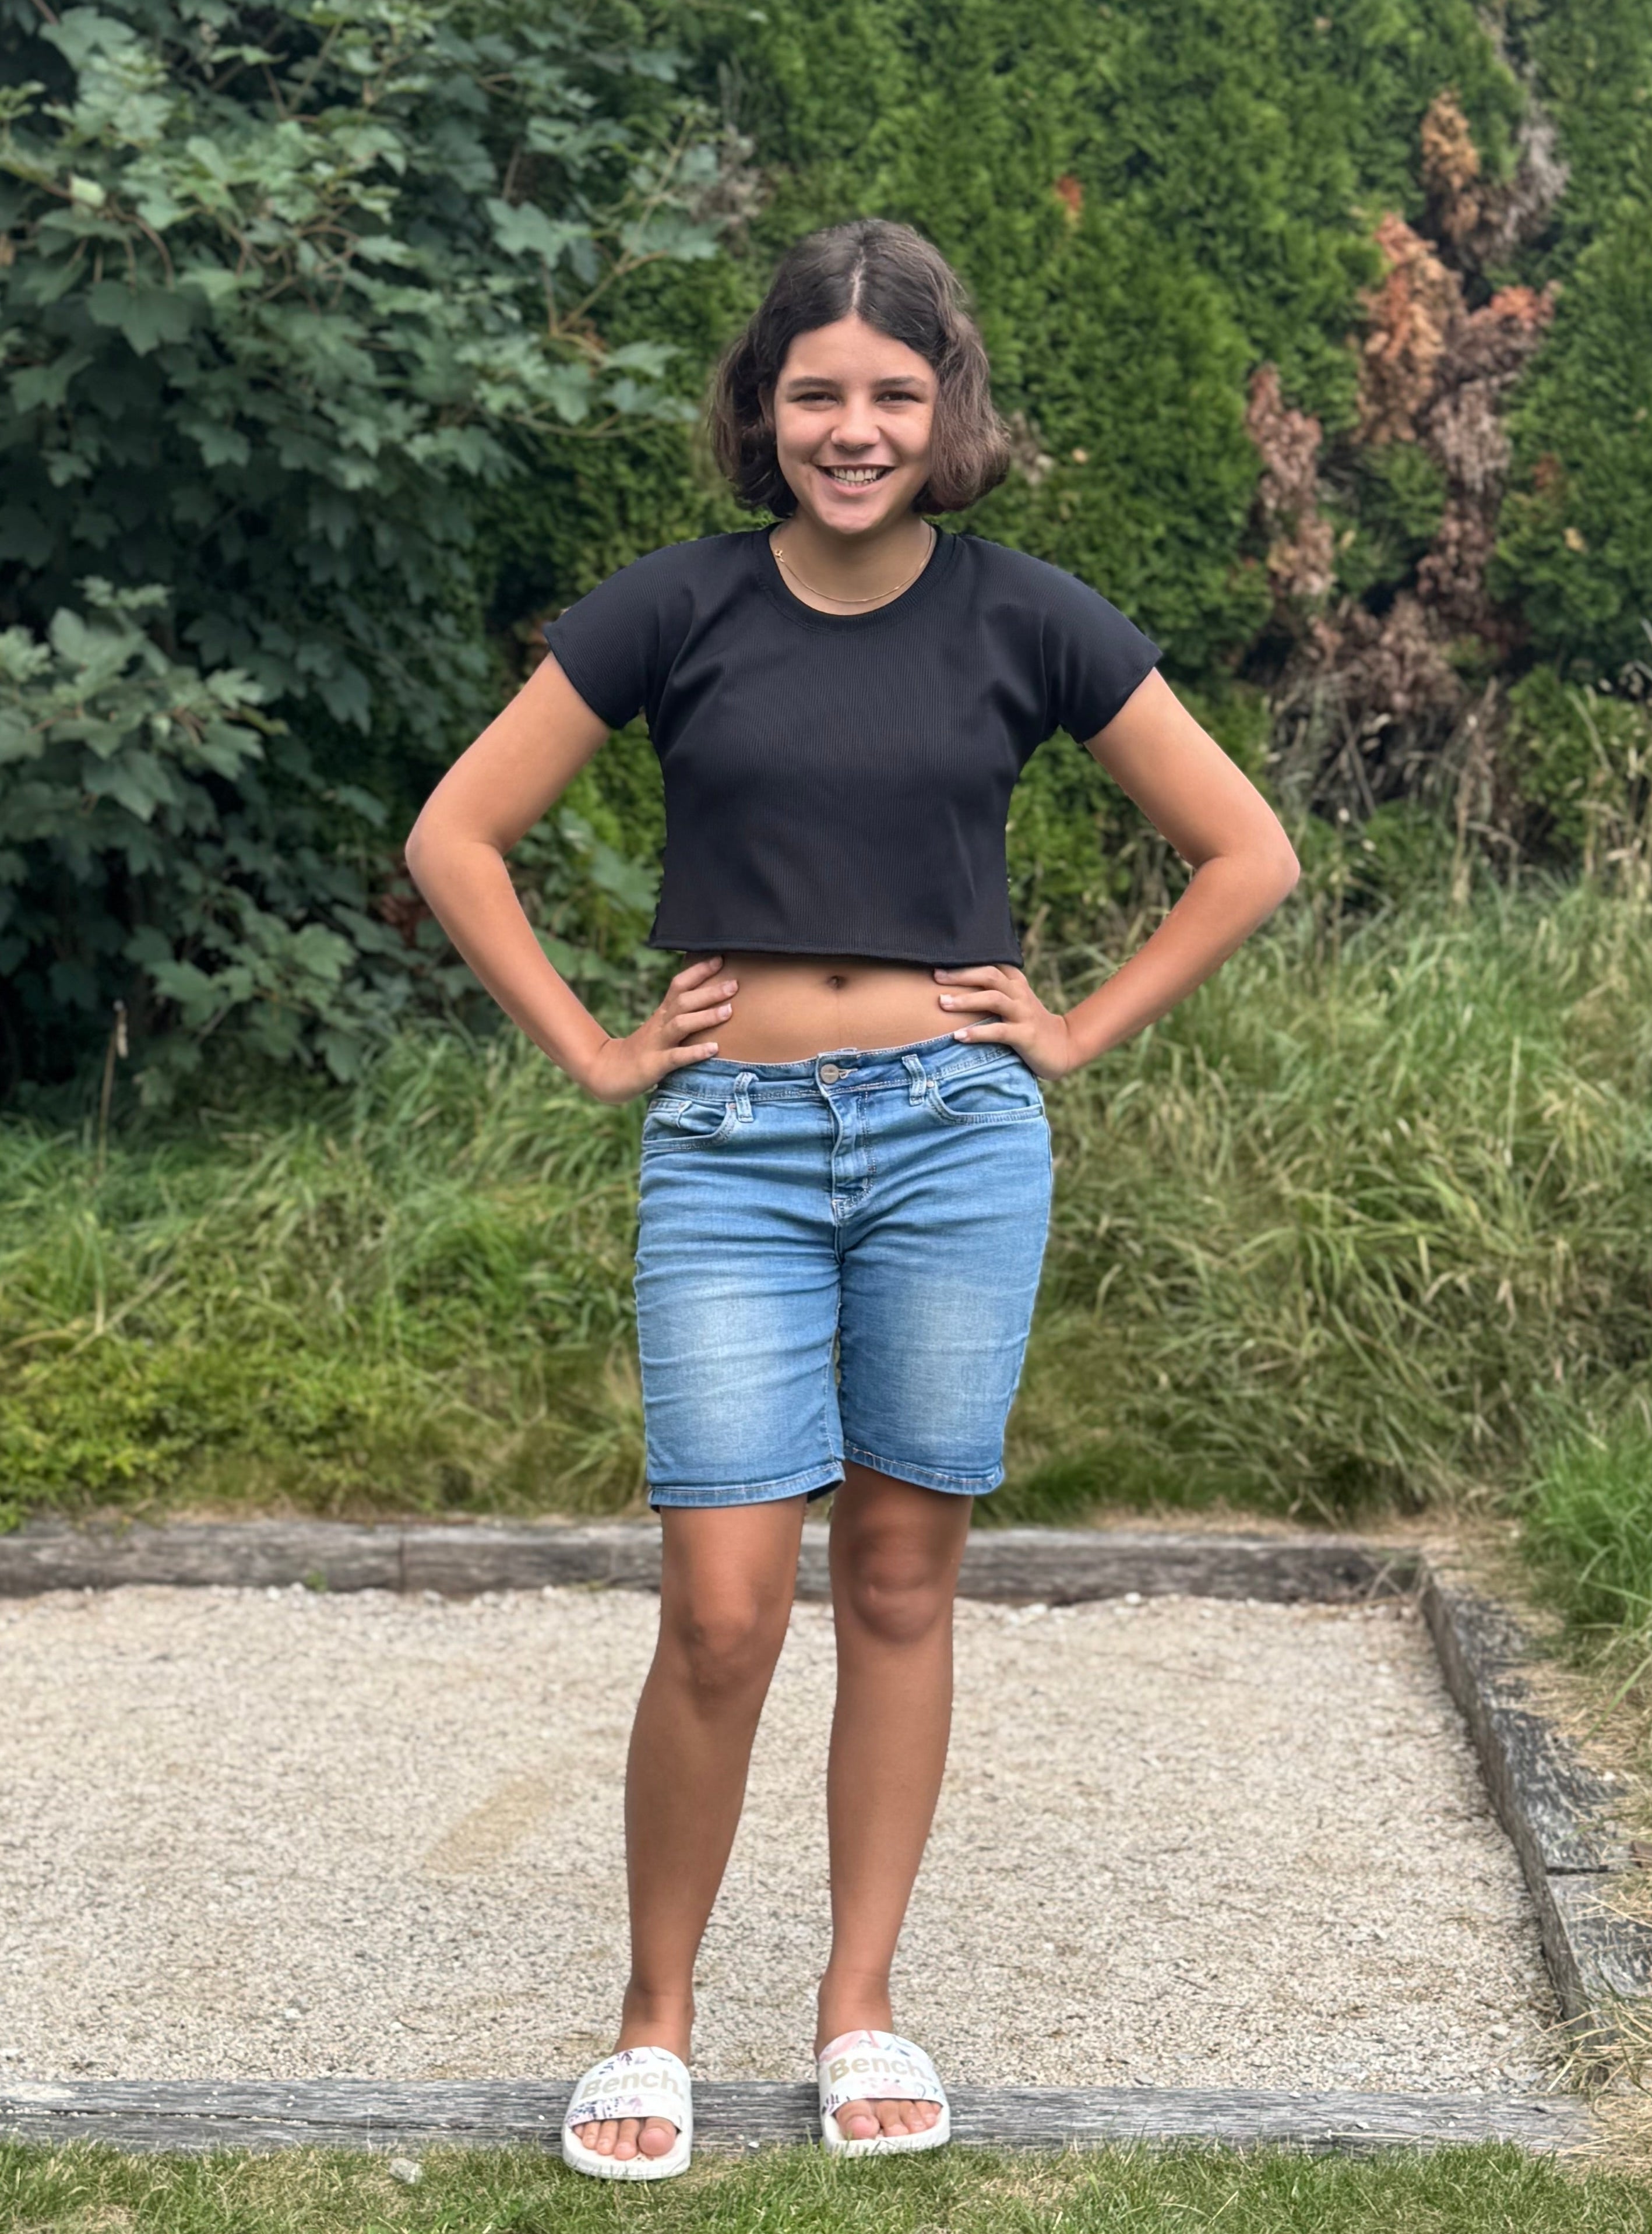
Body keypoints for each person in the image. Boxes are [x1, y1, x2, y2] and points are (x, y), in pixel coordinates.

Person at [404, 216, 1299, 2179]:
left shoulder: (1023, 616)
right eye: (816, 390)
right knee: (722, 1606)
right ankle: (651, 2022)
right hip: (727, 1146)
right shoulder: (675, 608)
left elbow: (1246, 851)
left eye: (893, 392)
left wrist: (1064, 1033)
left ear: (945, 406)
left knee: (898, 1575)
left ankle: (856, 2003)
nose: (854, 427)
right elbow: (457, 832)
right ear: (762, 405)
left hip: (952, 1143)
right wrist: (592, 1044)